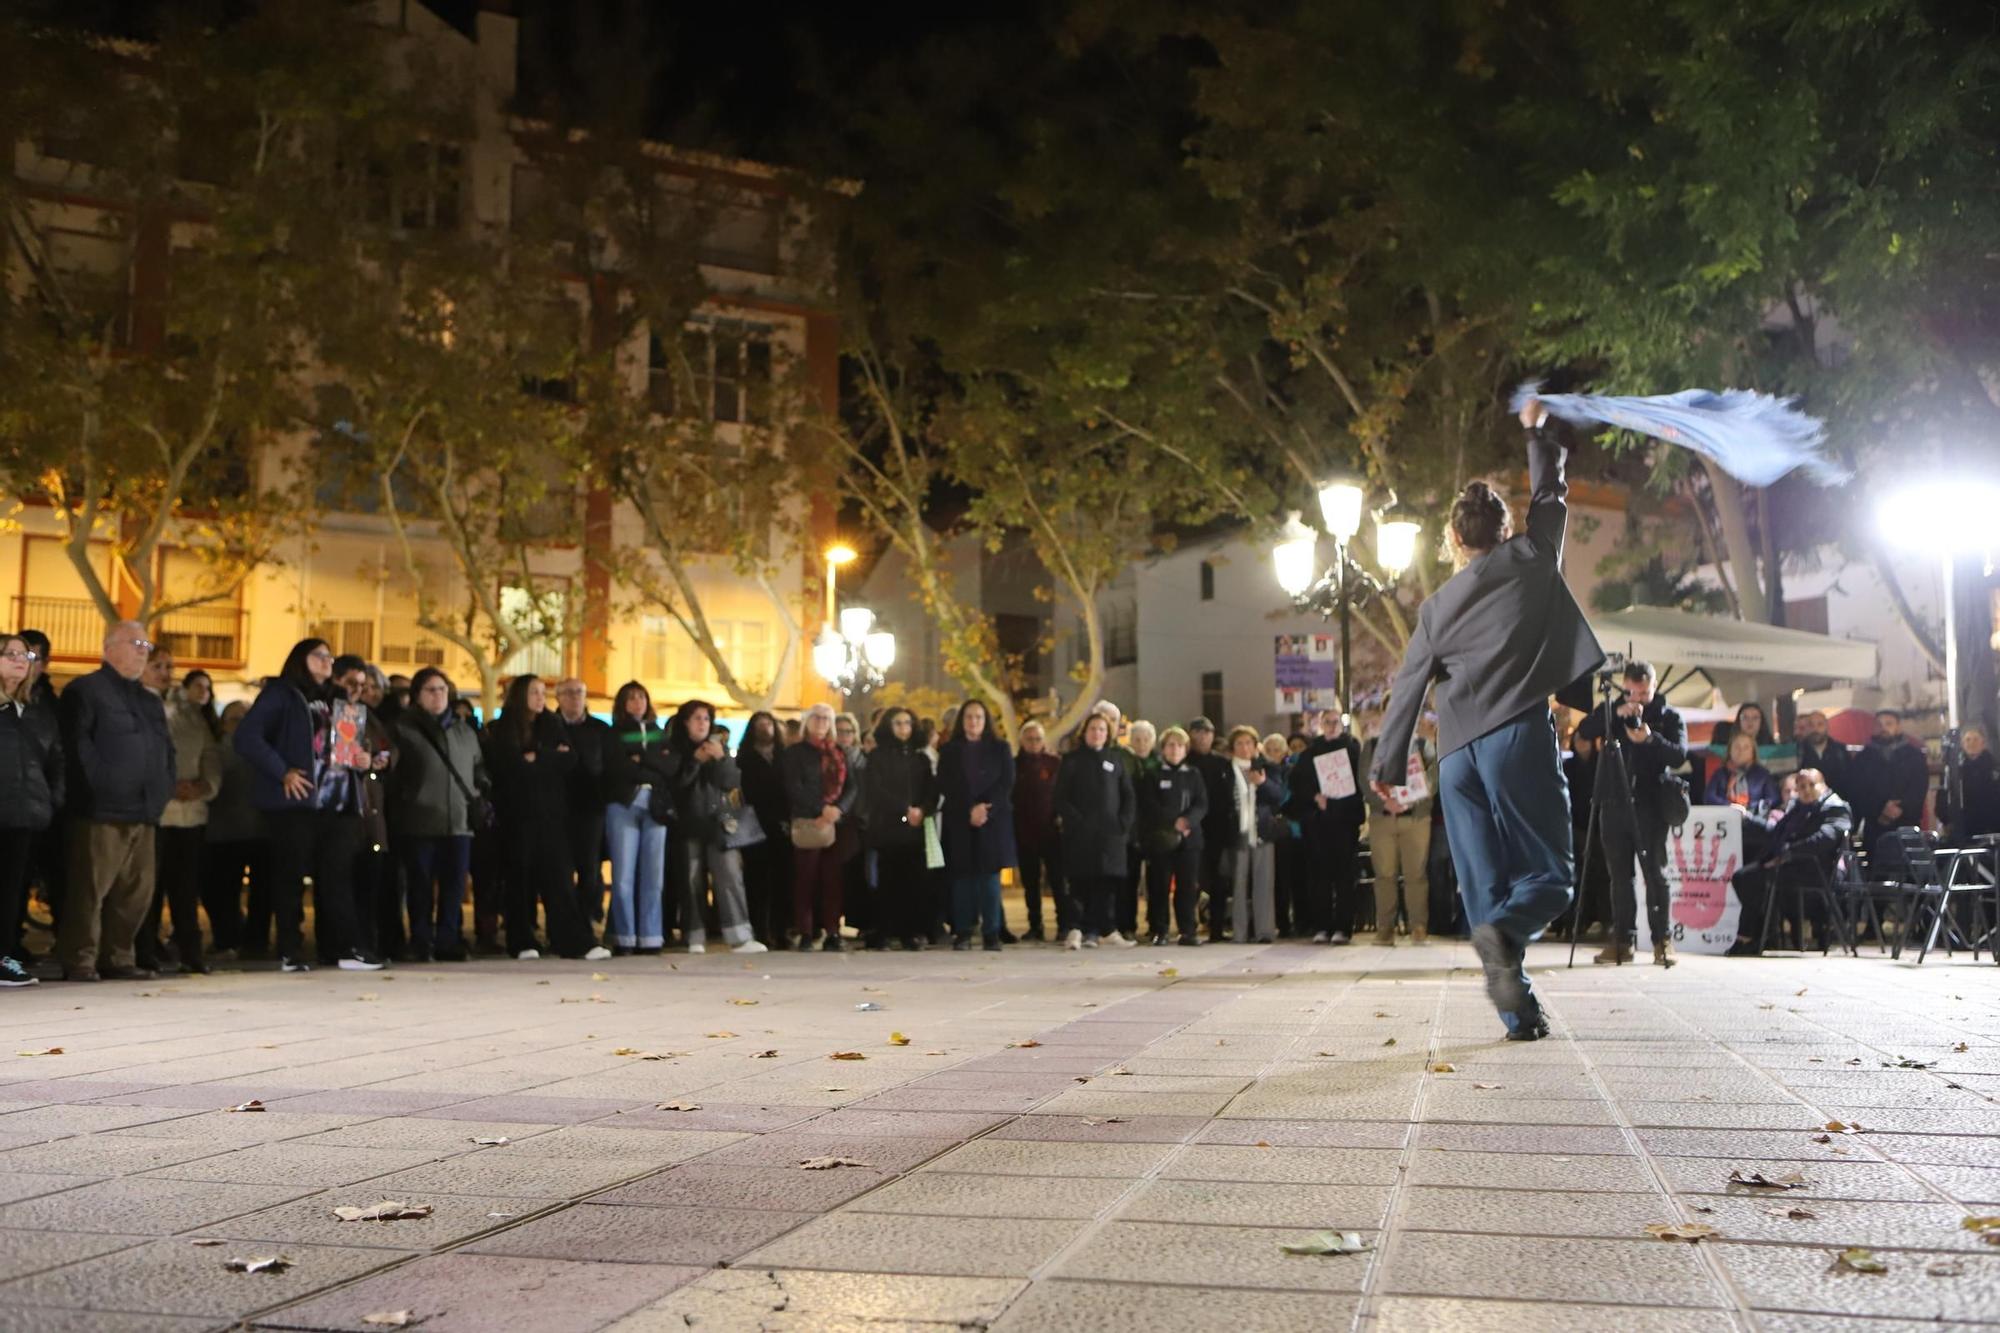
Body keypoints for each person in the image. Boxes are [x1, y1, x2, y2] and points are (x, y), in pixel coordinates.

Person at [1369, 397, 1604, 1040]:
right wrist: (1535, 432)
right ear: (1503, 531)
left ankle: (1519, 1013)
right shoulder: (1530, 557)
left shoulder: (1435, 608)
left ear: (1452, 539)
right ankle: (1504, 937)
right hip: (1514, 735)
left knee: (1484, 891)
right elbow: (1550, 496)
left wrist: (1387, 766)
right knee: (1549, 878)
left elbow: (1407, 688)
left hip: (1455, 759)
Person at [234, 638, 384, 972]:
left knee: (337, 877)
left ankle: (346, 948)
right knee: (290, 877)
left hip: (339, 800)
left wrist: (363, 759)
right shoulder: (282, 694)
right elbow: (247, 737)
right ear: (300, 658)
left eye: (330, 656)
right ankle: (290, 950)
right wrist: (282, 771)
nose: (327, 661)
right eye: (319, 655)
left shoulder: (339, 699)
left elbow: (350, 742)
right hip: (297, 802)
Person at [58, 621, 176, 983]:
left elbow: (166, 751)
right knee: (89, 890)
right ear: (109, 648)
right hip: (101, 810)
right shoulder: (85, 690)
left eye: (146, 645)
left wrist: (162, 791)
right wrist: (98, 788)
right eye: (136, 643)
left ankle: (119, 957)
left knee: (136, 892)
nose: (143, 651)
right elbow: (77, 748)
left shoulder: (149, 700)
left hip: (145, 810)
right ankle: (81, 959)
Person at [1576, 660, 1689, 967]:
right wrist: (1615, 713)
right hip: (1613, 801)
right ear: (1623, 687)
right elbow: (1585, 731)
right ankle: (1623, 941)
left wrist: (1651, 738)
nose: (1638, 699)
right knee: (1619, 877)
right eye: (1631, 693)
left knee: (1655, 873)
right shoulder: (1613, 710)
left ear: (1654, 687)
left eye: (1644, 693)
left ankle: (1662, 940)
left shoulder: (1668, 716)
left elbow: (1679, 755)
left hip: (1650, 804)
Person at [484, 674, 603, 961]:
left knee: (560, 878)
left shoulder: (552, 724)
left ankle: (571, 940)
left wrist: (537, 755)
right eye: (534, 692)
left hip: (552, 816)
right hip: (517, 816)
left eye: (542, 692)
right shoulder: (501, 728)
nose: (540, 698)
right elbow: (508, 765)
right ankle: (522, 939)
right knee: (519, 878)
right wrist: (546, 759)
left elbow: (569, 759)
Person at [390, 668, 484, 962]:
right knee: (420, 886)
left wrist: (481, 788)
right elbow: (393, 771)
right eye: (430, 690)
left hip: (458, 821)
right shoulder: (403, 729)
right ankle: (421, 940)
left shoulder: (464, 730)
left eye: (442, 689)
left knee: (454, 886)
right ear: (417, 695)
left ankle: (447, 940)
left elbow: (478, 766)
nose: (438, 695)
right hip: (419, 821)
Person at [664, 699, 764, 955]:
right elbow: (676, 785)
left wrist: (721, 759)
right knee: (691, 880)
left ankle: (740, 936)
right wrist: (695, 761)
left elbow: (731, 782)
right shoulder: (674, 749)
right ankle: (694, 935)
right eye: (697, 718)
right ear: (685, 722)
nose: (702, 723)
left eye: (706, 719)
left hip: (719, 823)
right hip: (688, 823)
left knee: (729, 875)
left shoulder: (719, 748)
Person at [147, 650, 222, 974]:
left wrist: (205, 786)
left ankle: (190, 950)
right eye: (158, 666)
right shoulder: (140, 705)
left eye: (170, 666)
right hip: (155, 813)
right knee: (149, 888)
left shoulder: (190, 712)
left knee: (186, 887)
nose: (165, 672)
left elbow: (210, 754)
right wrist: (167, 787)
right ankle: (145, 948)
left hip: (190, 814)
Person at [1727, 768, 1852, 955]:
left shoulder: (1836, 807)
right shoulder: (1798, 808)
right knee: (1742, 877)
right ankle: (1761, 934)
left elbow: (1824, 839)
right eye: (1801, 786)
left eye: (1811, 785)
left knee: (1754, 880)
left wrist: (1786, 853)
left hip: (1815, 870)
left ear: (1823, 785)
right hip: (1791, 865)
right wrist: (1749, 819)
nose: (1806, 790)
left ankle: (1749, 937)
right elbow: (1776, 832)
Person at [0, 633, 62, 986]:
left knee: (11, 891)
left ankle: (4, 956)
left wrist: (51, 800)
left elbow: (55, 760)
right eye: (9, 654)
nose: (20, 660)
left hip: (25, 814)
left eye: (25, 655)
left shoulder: (35, 711)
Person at [937, 699, 1017, 950]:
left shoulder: (1000, 748)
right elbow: (946, 784)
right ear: (962, 721)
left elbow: (1006, 782)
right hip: (960, 820)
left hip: (991, 821)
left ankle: (991, 933)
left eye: (978, 717)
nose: (973, 722)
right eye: (969, 717)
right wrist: (969, 809)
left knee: (989, 879)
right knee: (962, 880)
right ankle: (963, 932)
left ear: (986, 721)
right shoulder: (949, 750)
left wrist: (984, 809)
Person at [602, 681, 673, 955]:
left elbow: (669, 766)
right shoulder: (613, 733)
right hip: (623, 804)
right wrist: (650, 764)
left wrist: (641, 760)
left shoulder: (659, 733)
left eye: (641, 697)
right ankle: (624, 936)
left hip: (656, 806)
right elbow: (617, 767)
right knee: (623, 875)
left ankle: (651, 936)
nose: (637, 702)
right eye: (631, 698)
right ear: (622, 703)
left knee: (653, 875)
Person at [1056, 710, 1135, 949]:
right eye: (1093, 729)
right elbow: (1060, 797)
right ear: (1084, 732)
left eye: (1102, 729)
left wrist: (1123, 823)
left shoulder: (1115, 759)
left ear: (1108, 733)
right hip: (1080, 834)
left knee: (1106, 883)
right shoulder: (1072, 760)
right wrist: (1076, 821)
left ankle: (1107, 929)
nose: (1097, 733)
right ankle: (1076, 929)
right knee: (1080, 882)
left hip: (1110, 834)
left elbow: (1128, 795)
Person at [862, 707, 939, 950]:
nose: (903, 728)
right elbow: (875, 790)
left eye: (907, 723)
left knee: (914, 882)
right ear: (888, 726)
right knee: (887, 881)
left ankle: (911, 933)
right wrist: (903, 810)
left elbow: (932, 791)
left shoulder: (921, 759)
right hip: (887, 828)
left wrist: (922, 810)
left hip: (915, 830)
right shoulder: (877, 757)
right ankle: (884, 931)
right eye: (898, 723)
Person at [781, 702, 857, 949]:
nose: (822, 722)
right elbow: (794, 787)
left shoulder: (839, 752)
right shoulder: (795, 753)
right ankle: (805, 931)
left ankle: (833, 932)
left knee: (833, 881)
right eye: (817, 717)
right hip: (808, 821)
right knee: (806, 879)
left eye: (826, 718)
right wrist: (821, 809)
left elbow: (852, 786)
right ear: (807, 721)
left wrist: (838, 809)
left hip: (836, 823)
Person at [1289, 708, 1364, 944]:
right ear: (1320, 725)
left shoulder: (1353, 750)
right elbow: (1297, 783)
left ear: (1341, 725)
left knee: (1344, 877)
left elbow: (1361, 783)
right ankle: (1321, 926)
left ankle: (1343, 928)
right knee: (1318, 876)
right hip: (1317, 823)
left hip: (1345, 822)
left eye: (1335, 722)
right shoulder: (1309, 753)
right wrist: (1315, 797)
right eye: (1327, 722)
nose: (1331, 726)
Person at [1362, 713, 1438, 946]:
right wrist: (1384, 802)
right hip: (1383, 818)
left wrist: (1413, 798)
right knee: (1384, 875)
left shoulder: (1423, 745)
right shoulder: (1372, 745)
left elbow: (1434, 775)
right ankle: (1385, 929)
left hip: (1415, 818)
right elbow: (1364, 779)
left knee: (1416, 875)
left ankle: (1418, 928)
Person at [1135, 725, 1207, 946]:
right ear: (1163, 748)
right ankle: (1160, 930)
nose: (1175, 749)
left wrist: (1188, 821)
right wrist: (1173, 822)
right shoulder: (1153, 774)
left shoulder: (1194, 774)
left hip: (1189, 840)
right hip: (1161, 839)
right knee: (1159, 886)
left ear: (1186, 749)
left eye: (1179, 745)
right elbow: (1149, 804)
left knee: (1187, 887)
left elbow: (1201, 803)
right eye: (1170, 745)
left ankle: (1187, 930)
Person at [204, 700, 262, 958]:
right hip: (224, 832)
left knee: (259, 893)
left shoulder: (264, 749)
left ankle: (253, 942)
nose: (242, 724)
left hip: (258, 831)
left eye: (247, 717)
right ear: (224, 724)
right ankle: (228, 939)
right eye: (236, 719)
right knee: (223, 890)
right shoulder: (217, 750)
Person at [554, 678, 611, 928]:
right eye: (569, 692)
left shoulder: (600, 729)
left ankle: (587, 921)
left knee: (590, 867)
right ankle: (565, 923)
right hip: (558, 809)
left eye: (579, 692)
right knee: (561, 869)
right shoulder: (550, 727)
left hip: (591, 808)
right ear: (558, 697)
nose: (575, 697)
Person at [736, 711, 789, 945]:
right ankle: (760, 929)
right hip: (754, 823)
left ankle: (781, 930)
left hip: (781, 824)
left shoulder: (784, 756)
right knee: (757, 879)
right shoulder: (745, 758)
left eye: (768, 723)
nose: (765, 728)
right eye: (760, 724)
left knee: (782, 879)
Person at [1849, 708, 1930, 857]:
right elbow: (1859, 791)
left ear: (1898, 727)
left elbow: (1919, 788)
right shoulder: (1862, 759)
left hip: (1907, 824)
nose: (1884, 728)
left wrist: (1901, 808)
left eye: (1889, 724)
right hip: (1875, 827)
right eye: (1879, 724)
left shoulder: (1915, 756)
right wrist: (1880, 810)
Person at [1013, 720, 1064, 941]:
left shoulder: (1055, 763)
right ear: (1022, 741)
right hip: (1024, 834)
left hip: (1052, 832)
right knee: (1030, 883)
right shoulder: (1014, 765)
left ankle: (1064, 924)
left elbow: (1063, 793)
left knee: (1058, 882)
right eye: (1029, 739)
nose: (1034, 743)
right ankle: (1035, 926)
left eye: (1038, 739)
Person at [1186, 718, 1236, 940]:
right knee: (1190, 880)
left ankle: (1216, 928)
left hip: (1218, 829)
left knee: (1219, 881)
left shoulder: (1221, 763)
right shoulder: (1184, 761)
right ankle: (1188, 927)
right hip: (1191, 828)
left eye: (1207, 732)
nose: (1202, 736)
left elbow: (1230, 797)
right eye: (1198, 732)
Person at [1704, 731, 1780, 813]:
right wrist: (1730, 806)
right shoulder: (1720, 773)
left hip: (1754, 815)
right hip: (1725, 815)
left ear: (1753, 752)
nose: (1741, 751)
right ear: (1730, 751)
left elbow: (1774, 798)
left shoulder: (1763, 775)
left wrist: (1751, 806)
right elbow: (1708, 797)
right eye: (1737, 747)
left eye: (1746, 747)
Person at [1951, 725, 2000, 840]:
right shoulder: (1955, 770)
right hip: (1963, 826)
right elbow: (1946, 794)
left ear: (1983, 743)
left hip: (1991, 825)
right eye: (1968, 739)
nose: (1971, 743)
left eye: (1975, 739)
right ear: (1962, 744)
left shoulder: (1994, 768)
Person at [1794, 709, 1849, 800]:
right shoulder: (1798, 751)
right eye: (1811, 725)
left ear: (1827, 726)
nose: (1815, 729)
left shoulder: (1841, 751)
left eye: (1820, 724)